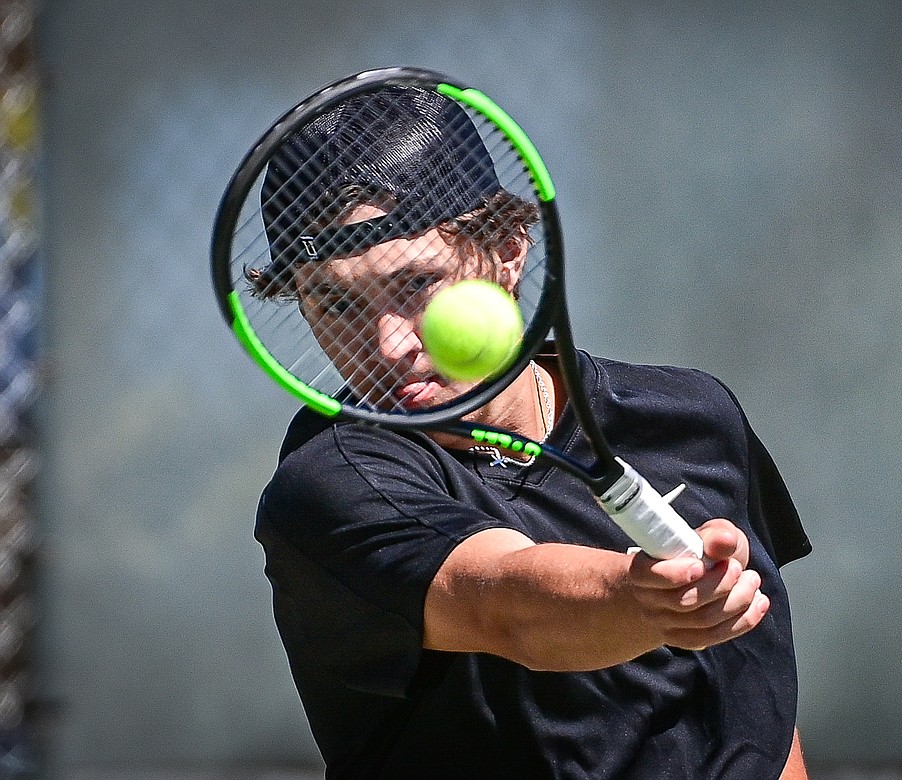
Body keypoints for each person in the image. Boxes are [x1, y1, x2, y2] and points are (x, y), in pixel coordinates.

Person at [250, 84, 812, 779]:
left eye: (417, 282)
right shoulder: (326, 484)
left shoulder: (694, 418)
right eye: (334, 301)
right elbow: (503, 603)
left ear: (508, 250)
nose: (386, 343)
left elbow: (755, 691)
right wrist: (647, 599)